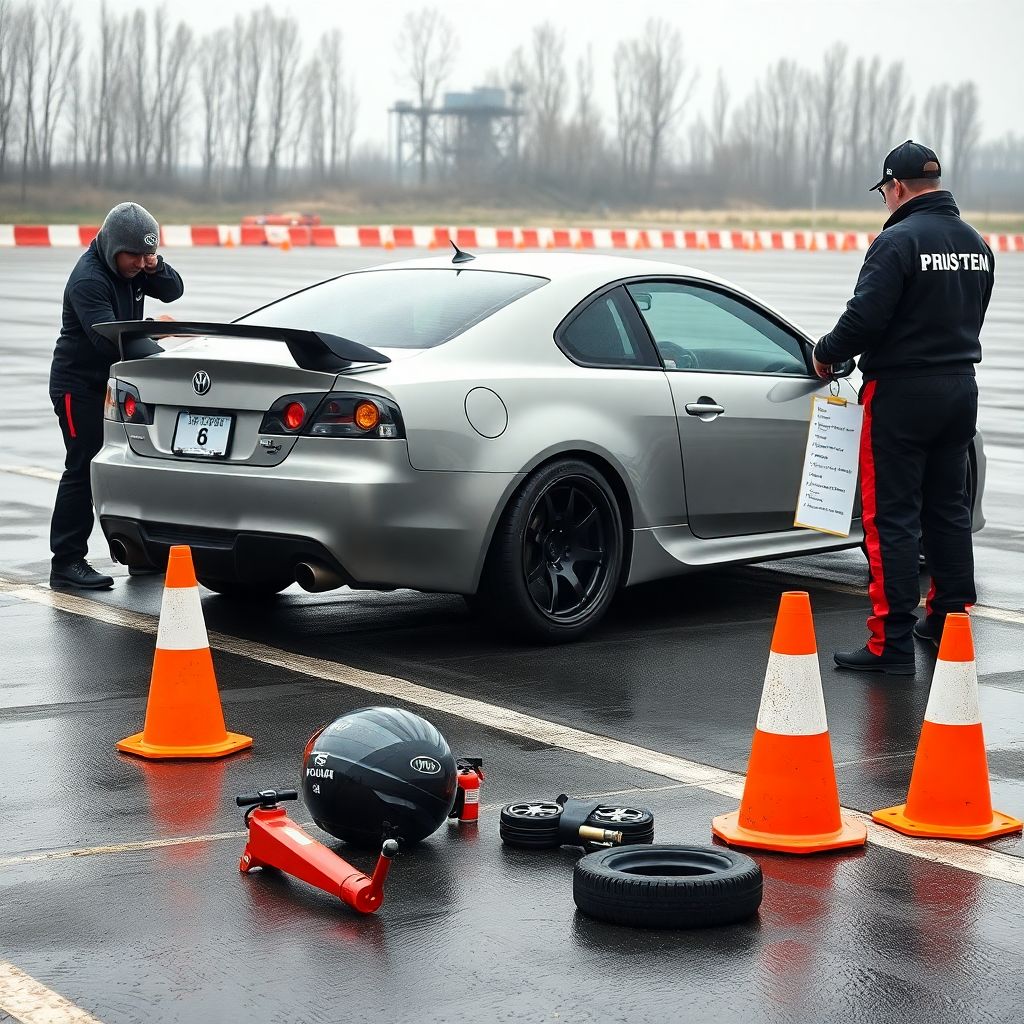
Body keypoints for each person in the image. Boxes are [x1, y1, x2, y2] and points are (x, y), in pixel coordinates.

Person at [812, 140, 994, 675]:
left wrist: (826, 353)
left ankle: (889, 645)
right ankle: (948, 623)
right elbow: (974, 310)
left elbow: (864, 318)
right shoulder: (977, 244)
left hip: (901, 395)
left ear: (895, 186)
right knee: (948, 510)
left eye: (884, 192)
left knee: (890, 517)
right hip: (960, 388)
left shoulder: (896, 242)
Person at [48, 202, 184, 589]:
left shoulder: (138, 267)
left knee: (131, 464)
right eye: (135, 255)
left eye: (148, 254)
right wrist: (157, 333)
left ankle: (139, 553)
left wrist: (155, 265)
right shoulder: (89, 279)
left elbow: (173, 291)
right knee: (83, 468)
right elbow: (111, 341)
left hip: (114, 386)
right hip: (78, 387)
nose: (141, 263)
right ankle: (67, 562)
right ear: (112, 249)